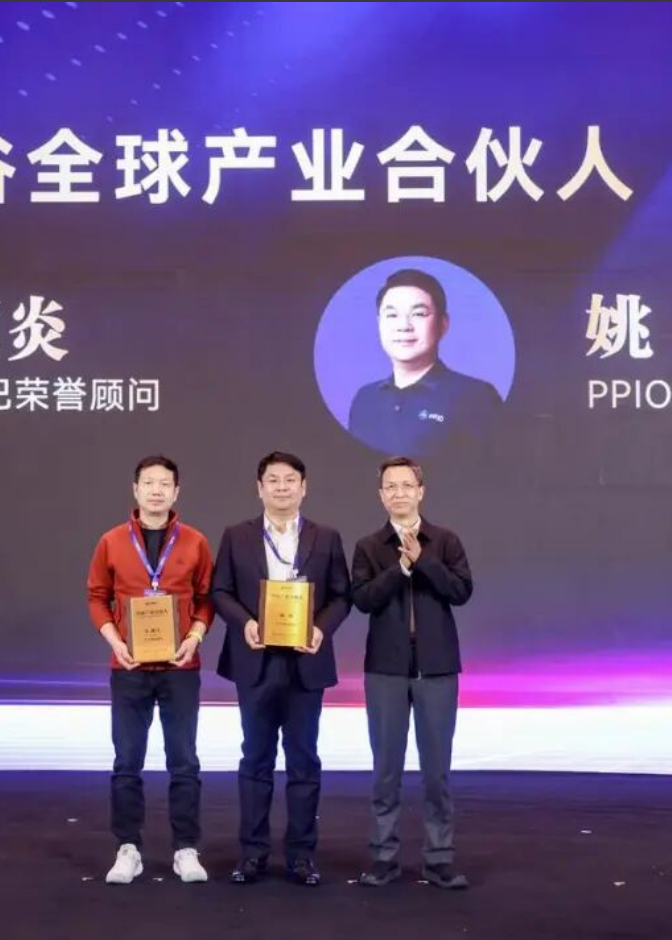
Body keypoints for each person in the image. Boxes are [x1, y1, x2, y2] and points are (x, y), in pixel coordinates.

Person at [211, 451, 352, 887]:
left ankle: (301, 856)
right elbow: (220, 591)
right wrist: (245, 623)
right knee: (255, 757)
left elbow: (342, 595)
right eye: (273, 480)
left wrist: (320, 629)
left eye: (290, 480)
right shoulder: (237, 535)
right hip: (255, 660)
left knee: (303, 759)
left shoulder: (326, 537)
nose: (282, 487)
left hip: (305, 662)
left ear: (303, 487)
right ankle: (252, 854)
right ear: (260, 488)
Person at [86, 455, 215, 885]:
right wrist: (115, 642)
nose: (156, 490)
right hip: (130, 667)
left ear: (176, 492)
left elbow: (206, 599)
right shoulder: (111, 541)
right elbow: (97, 597)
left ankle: (186, 848)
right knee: (127, 761)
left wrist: (195, 637)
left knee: (184, 761)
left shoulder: (195, 542)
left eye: (164, 484)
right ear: (136, 489)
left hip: (181, 667)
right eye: (148, 483)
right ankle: (128, 848)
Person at [350, 456, 474, 890]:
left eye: (407, 485)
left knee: (437, 770)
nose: (399, 493)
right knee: (386, 769)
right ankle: (383, 857)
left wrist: (424, 561)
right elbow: (363, 599)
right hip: (385, 669)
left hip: (437, 668)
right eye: (391, 486)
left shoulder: (445, 540)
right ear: (381, 495)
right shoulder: (369, 546)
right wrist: (400, 568)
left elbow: (461, 591)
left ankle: (439, 858)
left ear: (421, 491)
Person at [346, 268, 502, 457]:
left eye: (419, 314)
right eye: (392, 315)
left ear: (443, 324)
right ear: (379, 323)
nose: (404, 326)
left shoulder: (476, 397)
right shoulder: (365, 399)